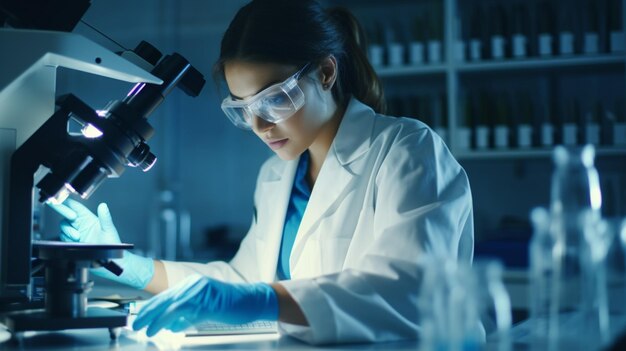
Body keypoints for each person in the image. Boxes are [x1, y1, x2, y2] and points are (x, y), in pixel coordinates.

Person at [50, 0, 473, 345]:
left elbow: (412, 294)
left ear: (326, 72)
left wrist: (261, 301)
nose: (260, 126)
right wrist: (130, 266)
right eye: (243, 109)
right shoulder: (277, 175)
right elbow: (243, 282)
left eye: (275, 100)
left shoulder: (405, 150)